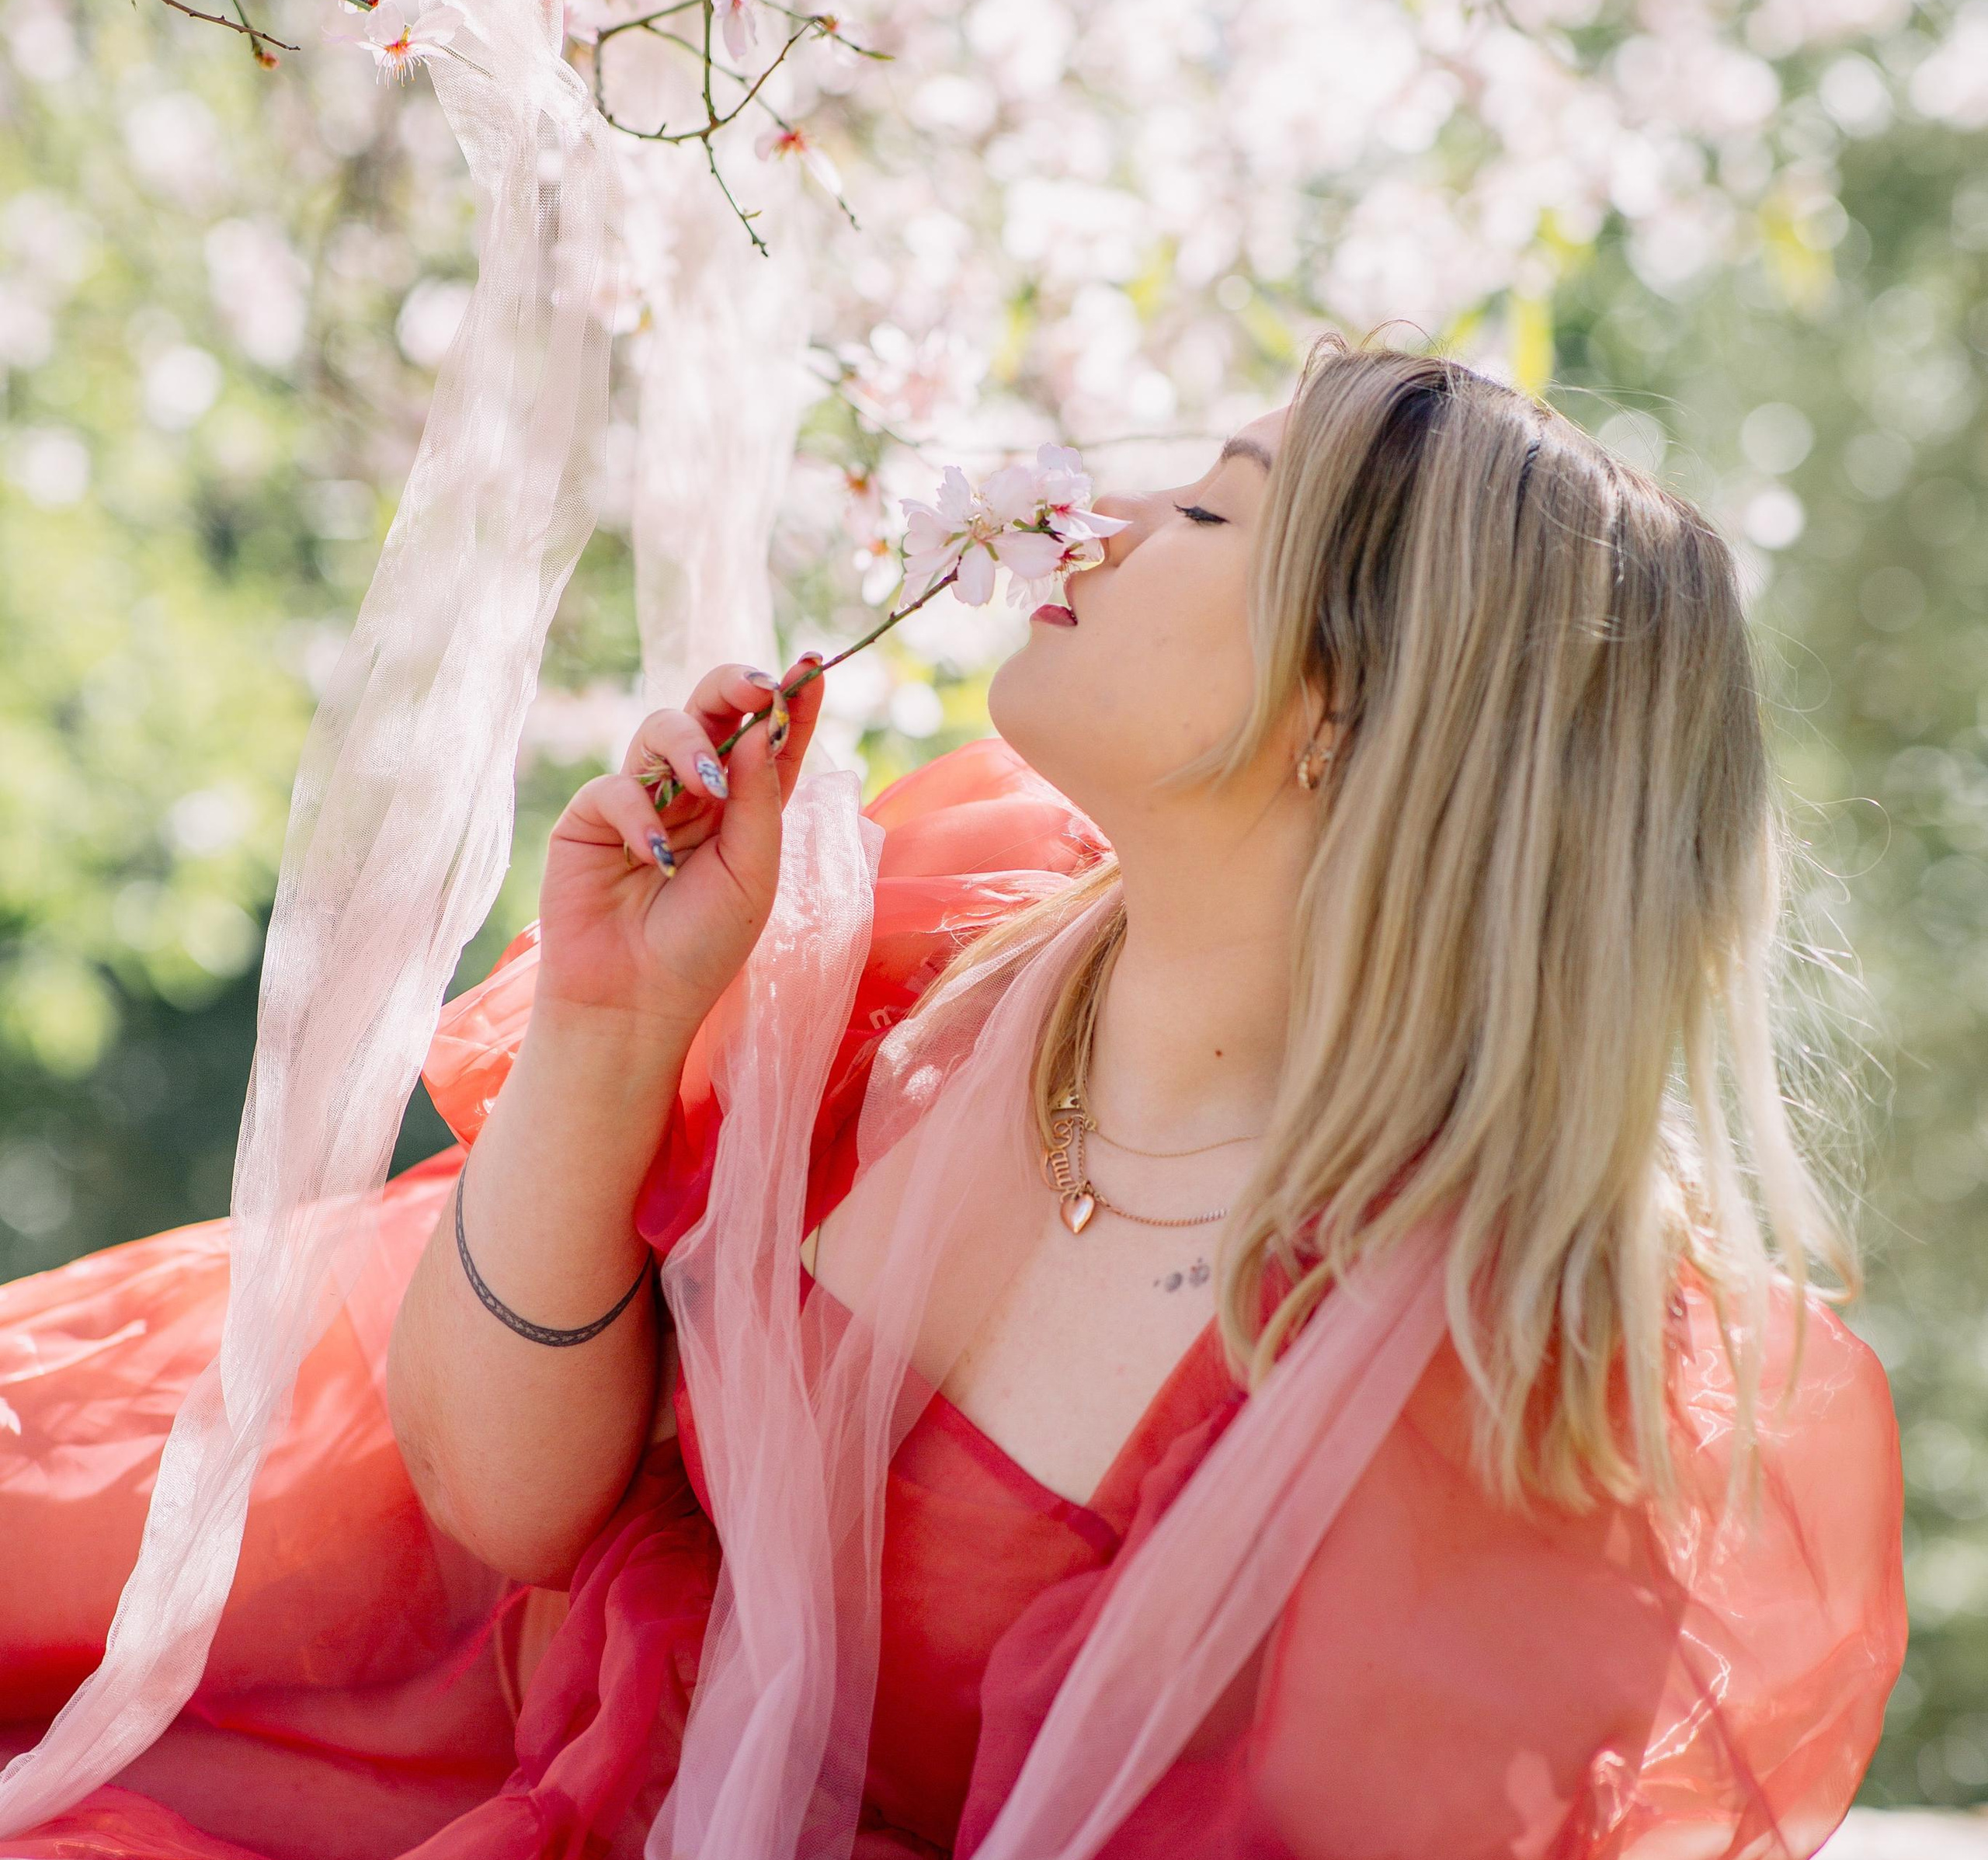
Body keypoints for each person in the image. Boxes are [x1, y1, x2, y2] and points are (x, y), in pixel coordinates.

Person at [0, 332, 1906, 1858]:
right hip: (428, 1752)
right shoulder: (916, 942)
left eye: (1212, 511)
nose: (1094, 518)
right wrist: (608, 1027)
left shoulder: (1501, 1397)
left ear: (1345, 709)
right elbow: (499, 1502)